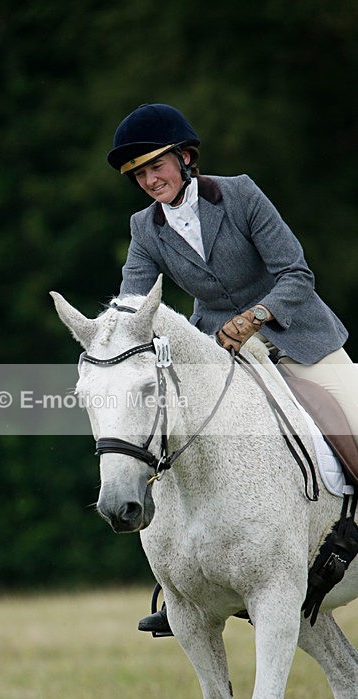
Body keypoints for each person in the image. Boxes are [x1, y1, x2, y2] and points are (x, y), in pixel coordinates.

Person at [106, 102, 358, 635]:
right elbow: (133, 301)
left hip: (299, 338)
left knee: (352, 420)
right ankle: (183, 586)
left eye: (157, 166)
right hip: (220, 354)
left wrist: (254, 318)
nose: (151, 180)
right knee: (180, 443)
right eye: (140, 174)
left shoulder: (240, 193)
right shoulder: (144, 228)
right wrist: (113, 337)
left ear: (185, 158)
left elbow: (296, 273)